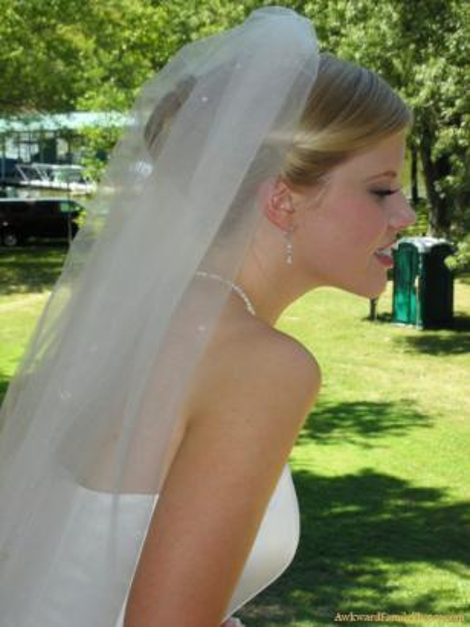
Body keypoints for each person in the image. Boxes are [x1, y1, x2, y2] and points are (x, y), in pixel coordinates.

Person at [0, 7, 416, 627]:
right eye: (381, 189)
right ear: (283, 200)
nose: (406, 214)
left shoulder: (153, 319)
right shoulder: (263, 366)